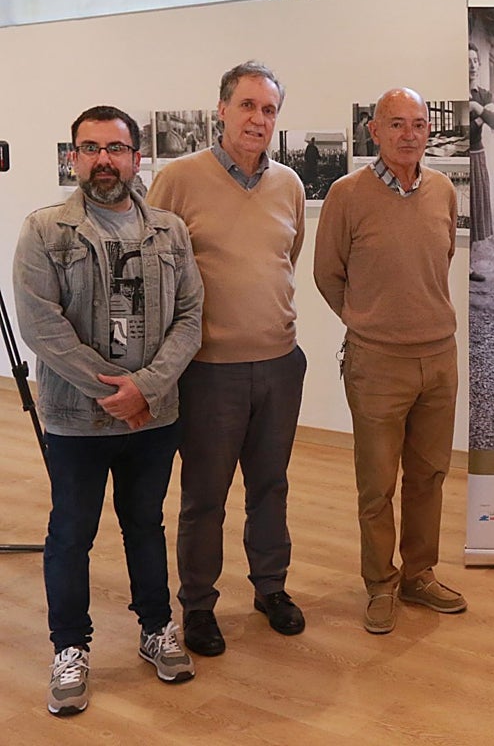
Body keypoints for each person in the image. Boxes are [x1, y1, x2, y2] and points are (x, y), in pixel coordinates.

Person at [15, 106, 204, 716]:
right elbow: (42, 328)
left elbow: (190, 318)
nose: (103, 159)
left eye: (115, 148)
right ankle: (70, 647)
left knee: (144, 523)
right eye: (89, 148)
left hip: (154, 416)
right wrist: (114, 392)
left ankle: (156, 629)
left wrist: (145, 388)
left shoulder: (170, 231)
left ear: (137, 156)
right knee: (71, 532)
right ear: (73, 157)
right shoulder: (44, 231)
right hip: (76, 419)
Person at [148, 61, 308, 656]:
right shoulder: (180, 179)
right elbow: (157, 268)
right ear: (221, 110)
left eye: (268, 110)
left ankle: (270, 589)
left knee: (271, 486)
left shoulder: (288, 184)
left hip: (279, 362)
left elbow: (288, 255)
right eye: (247, 106)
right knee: (205, 496)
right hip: (208, 370)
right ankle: (198, 606)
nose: (258, 119)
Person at [314, 87, 465, 634]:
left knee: (429, 475)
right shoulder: (346, 194)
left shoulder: (444, 190)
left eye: (419, 124)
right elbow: (327, 274)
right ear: (373, 132)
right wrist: (369, 321)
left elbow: (440, 259)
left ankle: (419, 575)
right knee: (377, 484)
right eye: (396, 124)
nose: (409, 134)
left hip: (439, 357)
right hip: (376, 362)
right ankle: (381, 583)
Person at [468, 42, 494, 281]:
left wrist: (477, 109)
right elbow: (463, 135)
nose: (471, 66)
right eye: (466, 62)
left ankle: (467, 265)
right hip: (459, 157)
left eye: (475, 61)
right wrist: (484, 115)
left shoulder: (482, 94)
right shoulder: (454, 92)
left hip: (477, 157)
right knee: (459, 211)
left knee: (474, 209)